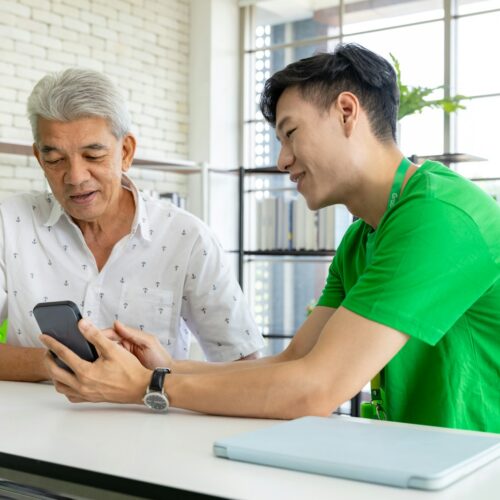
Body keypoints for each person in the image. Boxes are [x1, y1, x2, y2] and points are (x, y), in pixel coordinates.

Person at [42, 44, 500, 432]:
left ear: (346, 112)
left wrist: (148, 388)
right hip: (427, 462)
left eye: (290, 134)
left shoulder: (440, 216)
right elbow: (295, 361)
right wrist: (164, 367)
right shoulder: (364, 236)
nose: (282, 160)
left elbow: (316, 389)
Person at [0, 68, 264, 382]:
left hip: (151, 427)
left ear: (125, 152)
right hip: (30, 430)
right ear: (39, 158)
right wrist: (62, 362)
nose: (75, 177)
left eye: (93, 155)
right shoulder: (9, 222)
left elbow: (242, 365)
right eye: (55, 159)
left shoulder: (187, 238)